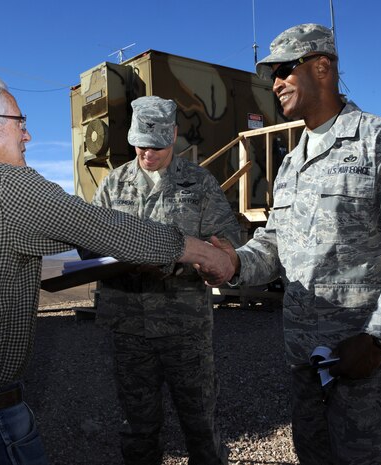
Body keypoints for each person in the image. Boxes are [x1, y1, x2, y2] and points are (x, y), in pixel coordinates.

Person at [0, 76, 234, 465]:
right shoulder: (7, 184)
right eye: (19, 122)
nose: (28, 135)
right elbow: (105, 229)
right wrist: (200, 251)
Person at [211, 24, 381, 464]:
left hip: (364, 352)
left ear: (322, 68)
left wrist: (379, 337)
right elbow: (277, 242)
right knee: (314, 456)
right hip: (305, 352)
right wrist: (235, 263)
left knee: (356, 458)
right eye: (272, 74)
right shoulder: (292, 162)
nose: (275, 82)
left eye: (284, 69)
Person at [90, 96, 240, 465]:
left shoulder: (199, 183)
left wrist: (192, 262)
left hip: (184, 327)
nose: (147, 153)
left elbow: (228, 245)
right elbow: (91, 242)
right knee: (138, 428)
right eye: (140, 144)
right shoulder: (113, 184)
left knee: (201, 425)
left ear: (173, 135)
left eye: (156, 145)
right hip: (129, 328)